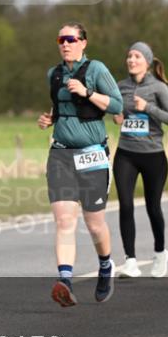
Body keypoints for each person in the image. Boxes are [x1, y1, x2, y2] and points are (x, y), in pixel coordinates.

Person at [38, 22, 123, 306]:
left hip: (92, 154)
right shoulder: (54, 74)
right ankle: (64, 280)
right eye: (61, 39)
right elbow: (60, 108)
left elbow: (117, 105)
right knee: (64, 221)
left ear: (83, 43)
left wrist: (87, 92)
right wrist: (49, 119)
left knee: (94, 223)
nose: (65, 44)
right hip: (61, 153)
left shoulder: (96, 69)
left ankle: (105, 264)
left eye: (71, 39)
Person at [112, 42, 168, 278]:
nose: (131, 60)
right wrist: (117, 116)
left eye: (137, 56)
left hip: (153, 156)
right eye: (129, 55)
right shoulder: (120, 87)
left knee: (153, 207)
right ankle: (130, 260)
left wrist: (148, 107)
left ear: (147, 62)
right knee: (126, 205)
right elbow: (115, 111)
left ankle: (160, 252)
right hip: (126, 153)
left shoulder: (159, 88)